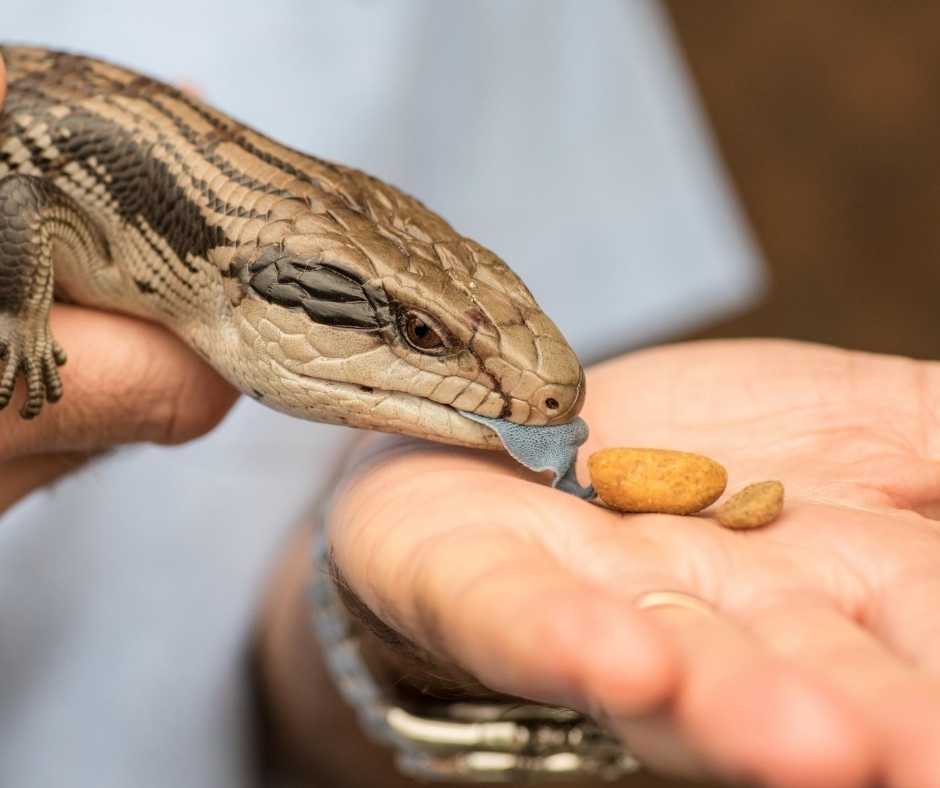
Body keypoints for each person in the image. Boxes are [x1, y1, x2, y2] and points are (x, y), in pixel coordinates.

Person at [9, 4, 939, 788]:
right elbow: (24, 203)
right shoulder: (100, 206)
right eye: (419, 338)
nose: (541, 397)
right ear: (258, 282)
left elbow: (268, 663)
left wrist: (408, 646)